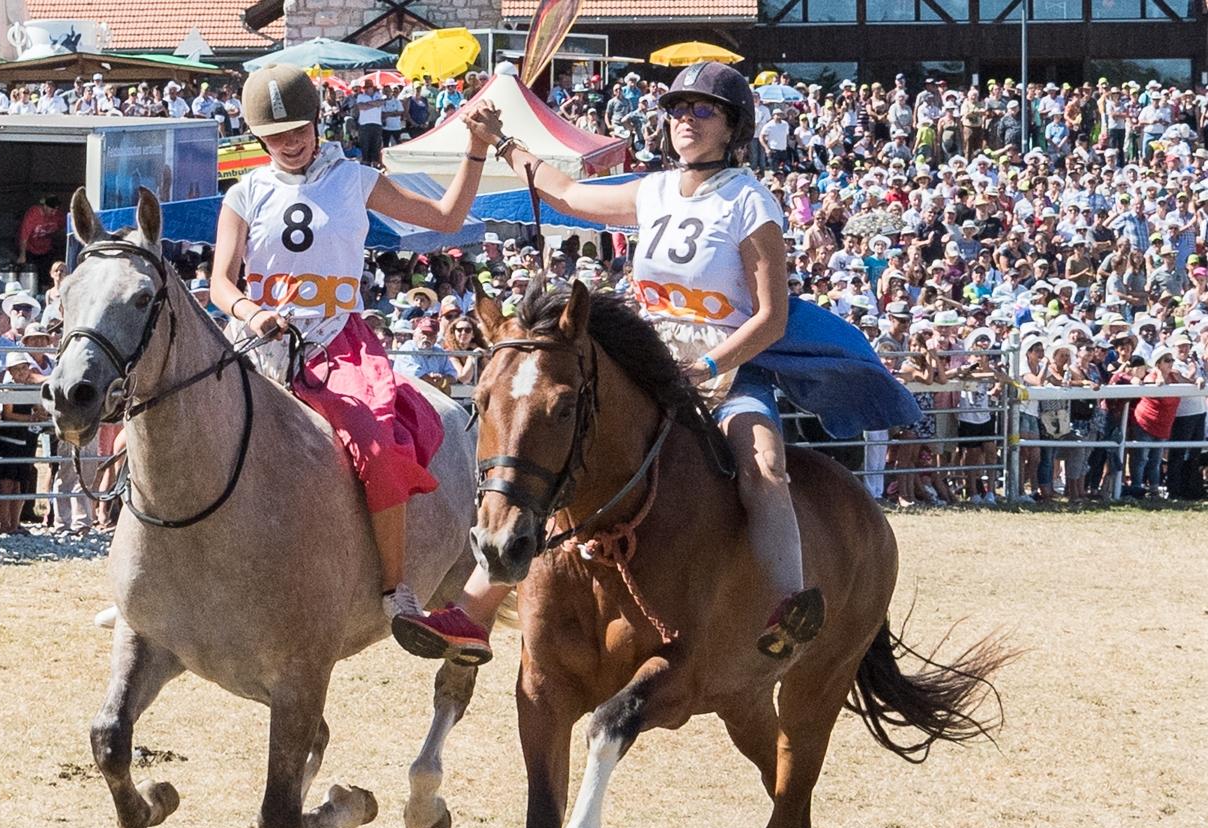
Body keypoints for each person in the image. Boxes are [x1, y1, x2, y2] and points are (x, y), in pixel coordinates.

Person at [398, 62, 915, 665]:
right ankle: (474, 613)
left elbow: (770, 318)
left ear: (733, 127)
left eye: (702, 110)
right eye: (677, 110)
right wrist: (502, 142)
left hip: (724, 366)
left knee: (766, 468)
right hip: (645, 360)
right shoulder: (654, 189)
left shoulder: (752, 201)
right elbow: (565, 192)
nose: (685, 120)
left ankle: (786, 604)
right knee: (552, 454)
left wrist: (711, 365)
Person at [209, 64, 488, 628]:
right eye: (275, 135)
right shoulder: (244, 192)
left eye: (298, 131)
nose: (289, 143)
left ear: (317, 123)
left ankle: (394, 588)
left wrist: (476, 149)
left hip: (337, 342)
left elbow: (447, 217)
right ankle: (156, 585)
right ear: (260, 138)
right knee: (174, 426)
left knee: (379, 448)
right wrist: (252, 312)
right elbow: (220, 282)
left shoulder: (356, 178)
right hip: (258, 336)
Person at [17, 195, 66, 288]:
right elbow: (24, 235)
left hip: (46, 249)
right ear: (45, 207)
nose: (54, 213)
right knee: (32, 273)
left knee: (47, 274)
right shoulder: (34, 214)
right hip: (30, 249)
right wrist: (22, 255)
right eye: (52, 210)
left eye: (56, 210)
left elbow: (64, 230)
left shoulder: (58, 216)